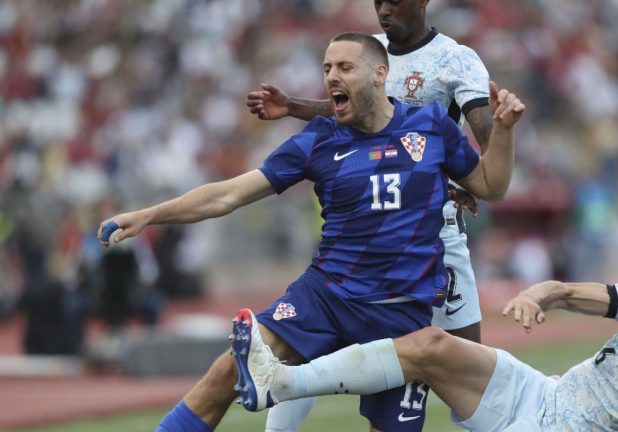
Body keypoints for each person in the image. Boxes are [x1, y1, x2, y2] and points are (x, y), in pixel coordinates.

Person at [98, 32, 524, 432]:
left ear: (380, 75)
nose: (332, 77)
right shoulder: (319, 139)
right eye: (326, 69)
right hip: (326, 296)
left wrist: (502, 134)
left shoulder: (432, 127)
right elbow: (227, 195)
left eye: (344, 67)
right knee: (230, 368)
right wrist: (150, 215)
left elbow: (492, 186)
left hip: (401, 314)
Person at [247, 2, 494, 426]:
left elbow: (484, 133)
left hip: (434, 234)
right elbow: (345, 111)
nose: (384, 10)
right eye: (378, 2)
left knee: (466, 368)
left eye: (394, 0)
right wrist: (293, 106)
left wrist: (468, 175)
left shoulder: (456, 58)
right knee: (314, 342)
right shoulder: (367, 51)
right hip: (367, 235)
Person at [235, 279, 618, 431]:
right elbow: (565, 291)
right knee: (429, 345)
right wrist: (536, 297)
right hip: (540, 391)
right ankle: (280, 383)